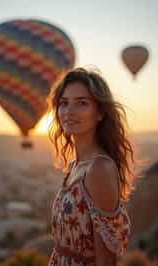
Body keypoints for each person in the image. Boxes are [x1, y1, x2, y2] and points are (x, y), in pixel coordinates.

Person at [47, 67, 136, 266]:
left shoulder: (99, 169)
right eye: (64, 103)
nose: (69, 111)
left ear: (100, 113)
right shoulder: (74, 166)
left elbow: (106, 257)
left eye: (82, 103)